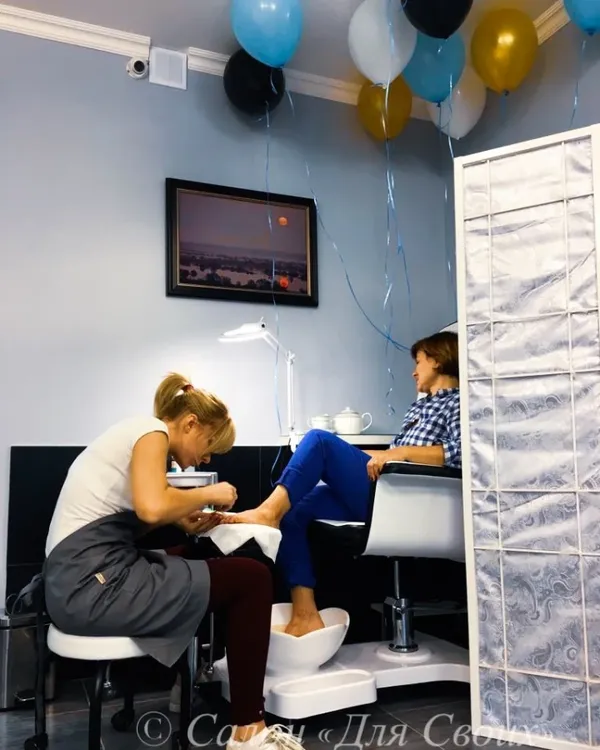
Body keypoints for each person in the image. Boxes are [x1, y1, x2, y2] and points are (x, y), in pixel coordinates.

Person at [43, 373, 304, 750]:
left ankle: (190, 682)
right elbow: (151, 507)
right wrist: (208, 493)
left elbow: (134, 514)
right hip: (90, 587)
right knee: (253, 578)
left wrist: (180, 520)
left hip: (77, 580)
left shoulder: (134, 432)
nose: (207, 457)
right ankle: (249, 731)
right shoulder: (151, 432)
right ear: (190, 423)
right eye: (210, 445)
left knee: (201, 556)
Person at [224, 331, 461, 637]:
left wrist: (398, 452)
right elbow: (390, 456)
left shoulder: (460, 402)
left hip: (409, 501)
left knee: (319, 440)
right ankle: (305, 612)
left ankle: (267, 512)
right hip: (386, 491)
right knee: (294, 509)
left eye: (419, 362)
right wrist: (371, 455)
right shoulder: (420, 407)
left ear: (438, 360)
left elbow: (462, 452)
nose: (414, 371)